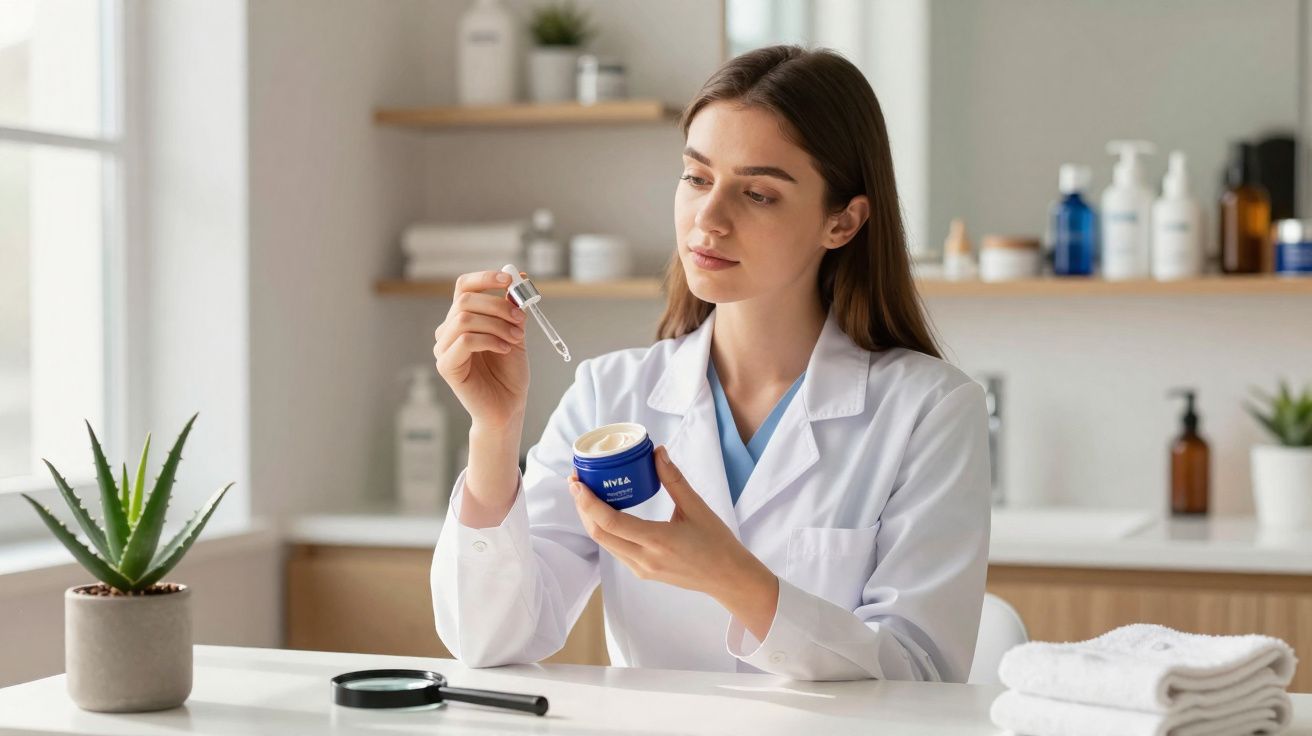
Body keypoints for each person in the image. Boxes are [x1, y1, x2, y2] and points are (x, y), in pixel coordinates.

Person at [429, 45, 990, 682]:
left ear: (842, 221)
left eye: (757, 194)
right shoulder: (609, 393)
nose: (709, 219)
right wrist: (494, 432)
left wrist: (733, 577)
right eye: (697, 178)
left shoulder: (931, 411)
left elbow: (921, 678)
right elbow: (490, 638)